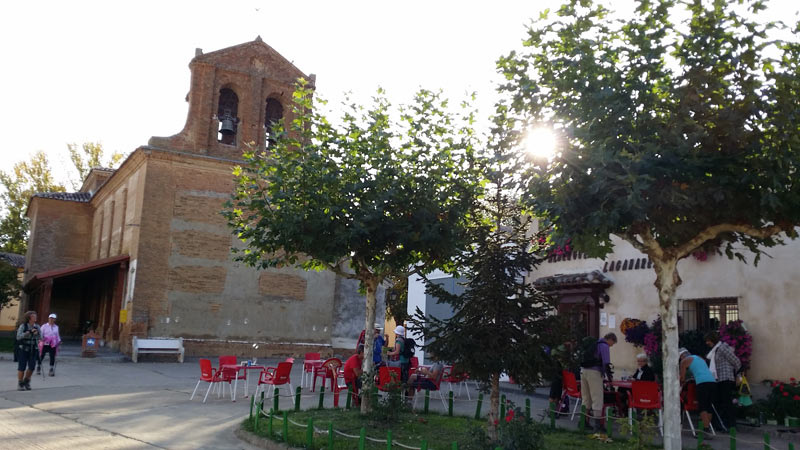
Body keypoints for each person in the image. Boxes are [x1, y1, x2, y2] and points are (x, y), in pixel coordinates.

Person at [580, 332, 617, 432]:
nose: (611, 345)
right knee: (597, 399)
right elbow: (606, 363)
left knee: (586, 398)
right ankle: (598, 425)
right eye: (612, 343)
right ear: (610, 339)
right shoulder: (604, 346)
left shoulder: (595, 343)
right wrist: (609, 378)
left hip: (583, 371)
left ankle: (584, 422)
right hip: (594, 372)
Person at [705, 330, 741, 429]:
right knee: (719, 402)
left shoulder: (722, 348)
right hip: (718, 379)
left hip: (726, 378)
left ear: (712, 339)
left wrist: (738, 375)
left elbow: (736, 361)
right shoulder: (715, 351)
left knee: (726, 402)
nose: (707, 343)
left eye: (708, 340)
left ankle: (732, 425)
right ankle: (721, 424)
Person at [680, 348, 716, 437]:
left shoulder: (684, 361)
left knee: (702, 406)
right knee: (708, 406)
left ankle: (705, 430)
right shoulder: (699, 358)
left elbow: (682, 378)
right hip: (712, 381)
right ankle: (706, 428)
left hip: (702, 383)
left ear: (682, 356)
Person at [15, 311, 41, 391]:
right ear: (29, 318)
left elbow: (41, 337)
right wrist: (28, 332)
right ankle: (20, 383)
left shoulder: (37, 326)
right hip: (23, 349)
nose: (35, 317)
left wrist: (37, 334)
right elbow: (18, 337)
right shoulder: (23, 326)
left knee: (32, 367)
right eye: (34, 316)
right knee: (22, 367)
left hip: (33, 349)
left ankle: (26, 381)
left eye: (35, 316)